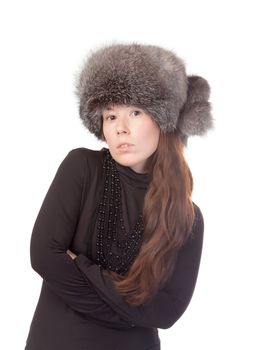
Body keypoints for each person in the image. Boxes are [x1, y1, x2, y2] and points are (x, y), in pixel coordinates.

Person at [25, 42, 214, 350]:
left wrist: (82, 266)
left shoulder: (187, 217)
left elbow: (165, 312)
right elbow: (44, 256)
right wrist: (131, 314)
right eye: (111, 116)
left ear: (162, 121)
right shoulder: (82, 168)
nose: (120, 129)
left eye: (135, 112)